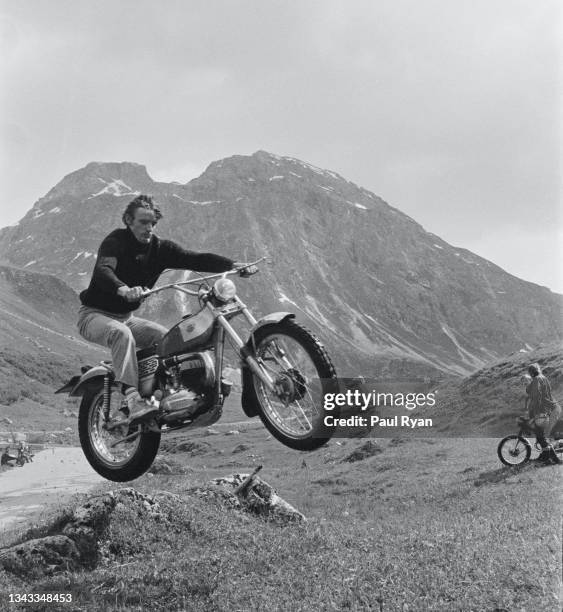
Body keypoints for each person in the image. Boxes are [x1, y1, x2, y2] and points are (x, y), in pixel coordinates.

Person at [77, 194, 255, 425]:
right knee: (122, 335)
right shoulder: (115, 241)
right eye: (143, 222)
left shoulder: (160, 249)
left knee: (166, 340)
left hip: (126, 317)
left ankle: (157, 398)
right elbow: (103, 270)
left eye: (152, 223)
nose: (149, 228)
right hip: (93, 316)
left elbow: (195, 259)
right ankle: (131, 400)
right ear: (128, 220)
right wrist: (122, 289)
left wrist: (232, 265)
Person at [525, 363, 562, 465]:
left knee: (543, 435)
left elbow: (537, 396)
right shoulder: (543, 378)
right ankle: (545, 457)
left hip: (551, 409)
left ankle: (553, 460)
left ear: (531, 372)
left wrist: (536, 411)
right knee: (540, 434)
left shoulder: (536, 380)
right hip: (553, 407)